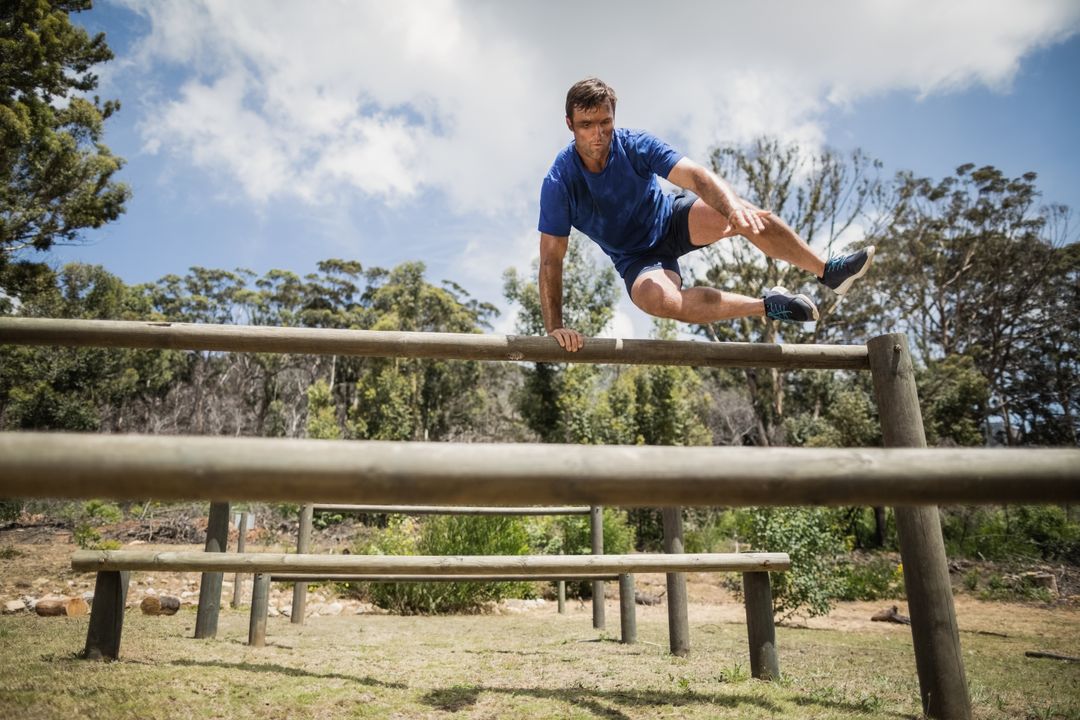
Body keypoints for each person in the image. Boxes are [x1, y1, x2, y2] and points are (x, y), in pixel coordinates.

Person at [538, 77, 874, 352]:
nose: (598, 134)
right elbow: (552, 260)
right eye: (586, 125)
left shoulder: (635, 145)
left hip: (670, 219)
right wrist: (554, 327)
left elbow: (696, 176)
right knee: (661, 300)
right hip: (636, 258)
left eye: (605, 123)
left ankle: (828, 271)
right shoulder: (559, 182)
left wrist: (733, 209)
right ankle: (769, 305)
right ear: (569, 124)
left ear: (614, 118)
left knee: (746, 214)